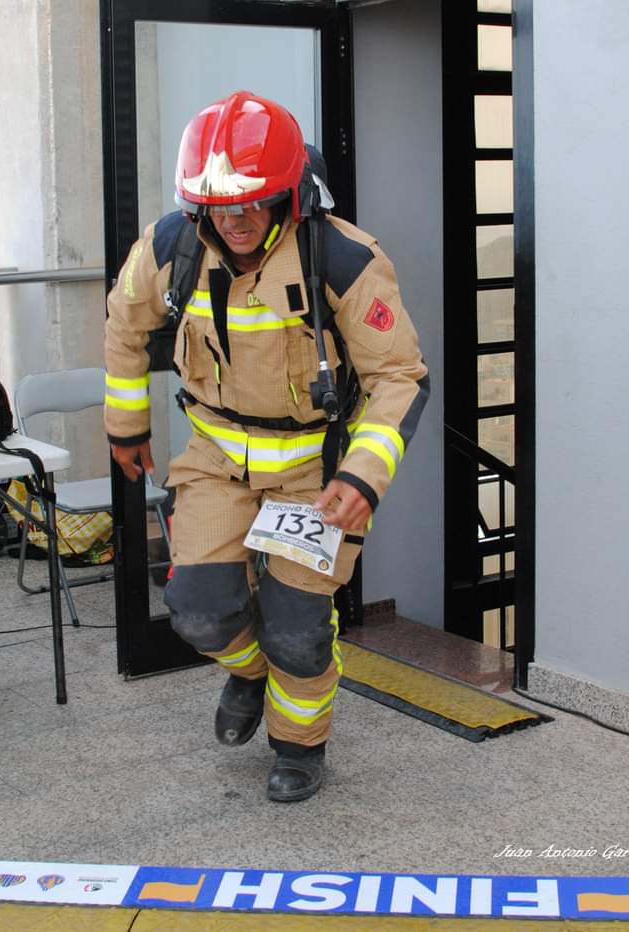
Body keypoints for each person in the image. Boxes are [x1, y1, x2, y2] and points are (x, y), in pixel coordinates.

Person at [104, 91, 429, 802]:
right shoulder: (172, 247)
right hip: (216, 460)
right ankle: (249, 675)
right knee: (200, 611)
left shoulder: (342, 257)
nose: (238, 220)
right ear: (199, 205)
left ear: (287, 192)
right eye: (221, 206)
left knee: (297, 628)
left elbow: (399, 376)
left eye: (255, 202)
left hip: (313, 472)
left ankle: (299, 746)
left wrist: (363, 477)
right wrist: (125, 425)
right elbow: (124, 323)